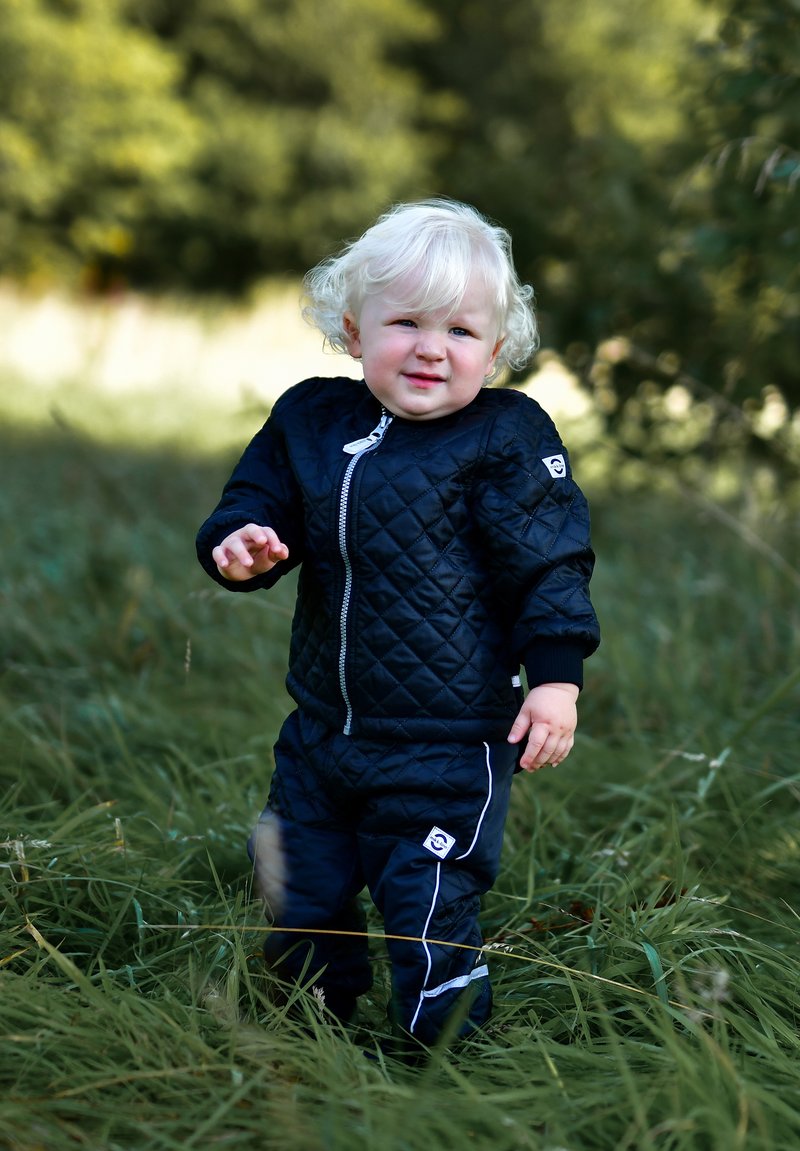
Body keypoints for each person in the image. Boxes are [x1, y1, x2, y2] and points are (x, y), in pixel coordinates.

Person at [196, 198, 600, 1054]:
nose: (430, 346)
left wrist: (556, 678)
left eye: (460, 330)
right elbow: (256, 505)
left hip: (447, 742)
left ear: (495, 350)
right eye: (406, 321)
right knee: (300, 886)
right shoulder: (310, 420)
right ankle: (308, 1033)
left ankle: (436, 1058)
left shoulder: (506, 436)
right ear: (352, 327)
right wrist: (242, 545)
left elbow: (548, 561)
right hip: (323, 732)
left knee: (428, 899)